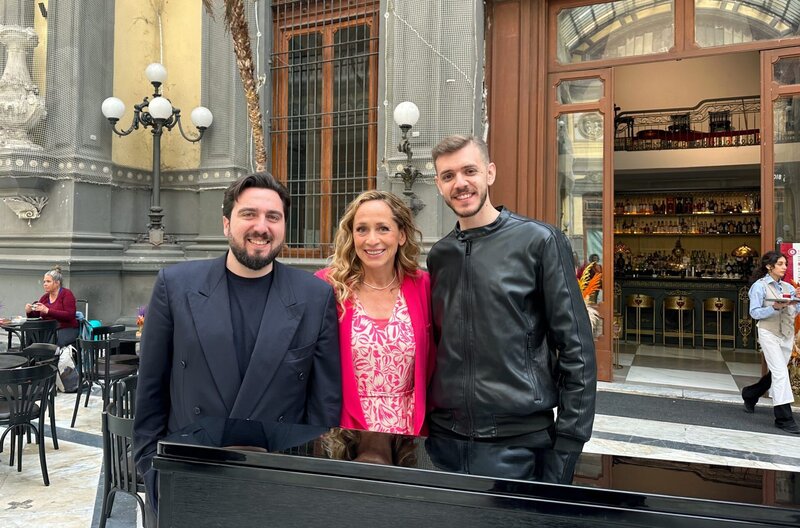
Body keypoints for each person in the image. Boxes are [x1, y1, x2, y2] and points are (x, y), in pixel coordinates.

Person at [133, 172, 342, 523]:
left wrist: (309, 484)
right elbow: (150, 391)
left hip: (276, 487)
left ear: (283, 227)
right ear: (227, 223)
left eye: (273, 217)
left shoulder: (314, 296)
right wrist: (153, 474)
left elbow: (324, 405)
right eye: (249, 214)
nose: (261, 226)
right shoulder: (176, 286)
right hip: (189, 480)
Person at [425, 134, 597, 484]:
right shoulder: (439, 256)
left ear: (489, 173)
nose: (460, 183)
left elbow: (576, 347)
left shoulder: (540, 241)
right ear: (438, 185)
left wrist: (568, 443)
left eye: (469, 171)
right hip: (445, 441)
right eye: (448, 176)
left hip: (521, 443)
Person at [316, 190, 433, 464]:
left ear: (401, 235)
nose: (372, 240)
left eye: (383, 228)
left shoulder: (423, 286)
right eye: (362, 229)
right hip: (344, 432)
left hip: (408, 437)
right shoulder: (328, 287)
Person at [742, 250, 800, 434]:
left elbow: (795, 310)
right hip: (768, 332)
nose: (785, 267)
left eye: (786, 264)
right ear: (769, 266)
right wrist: (774, 308)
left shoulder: (788, 287)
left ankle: (750, 394)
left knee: (777, 372)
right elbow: (755, 313)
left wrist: (797, 299)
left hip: (786, 333)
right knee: (781, 373)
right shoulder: (759, 287)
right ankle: (784, 419)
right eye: (781, 264)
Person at [24, 265, 79, 347]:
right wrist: (30, 311)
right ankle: (32, 357)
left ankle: (48, 358)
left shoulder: (67, 294)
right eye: (44, 282)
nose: (45, 284)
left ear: (57, 283)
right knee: (32, 336)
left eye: (48, 281)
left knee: (51, 343)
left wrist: (48, 310)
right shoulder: (45, 297)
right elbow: (37, 315)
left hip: (66, 328)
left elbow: (70, 315)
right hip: (48, 330)